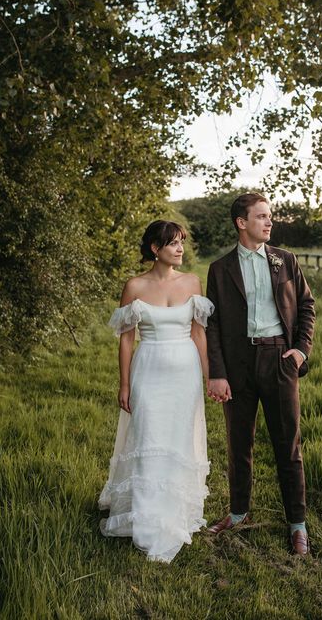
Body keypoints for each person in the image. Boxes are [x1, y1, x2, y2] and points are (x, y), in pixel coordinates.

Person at [205, 193, 315, 555]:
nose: (269, 222)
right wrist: (217, 373)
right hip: (237, 367)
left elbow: (306, 306)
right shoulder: (220, 269)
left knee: (288, 445)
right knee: (239, 444)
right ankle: (238, 513)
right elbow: (214, 325)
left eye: (270, 216)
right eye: (262, 217)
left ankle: (297, 525)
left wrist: (300, 351)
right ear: (242, 222)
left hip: (279, 360)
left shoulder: (285, 260)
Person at [98, 220, 214, 563]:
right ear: (155, 248)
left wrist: (209, 377)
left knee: (178, 440)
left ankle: (175, 512)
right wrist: (123, 383)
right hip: (148, 371)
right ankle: (146, 520)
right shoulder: (134, 285)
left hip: (185, 373)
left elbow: (199, 334)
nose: (180, 249)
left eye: (181, 243)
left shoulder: (193, 281)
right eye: (174, 243)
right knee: (148, 438)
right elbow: (126, 339)